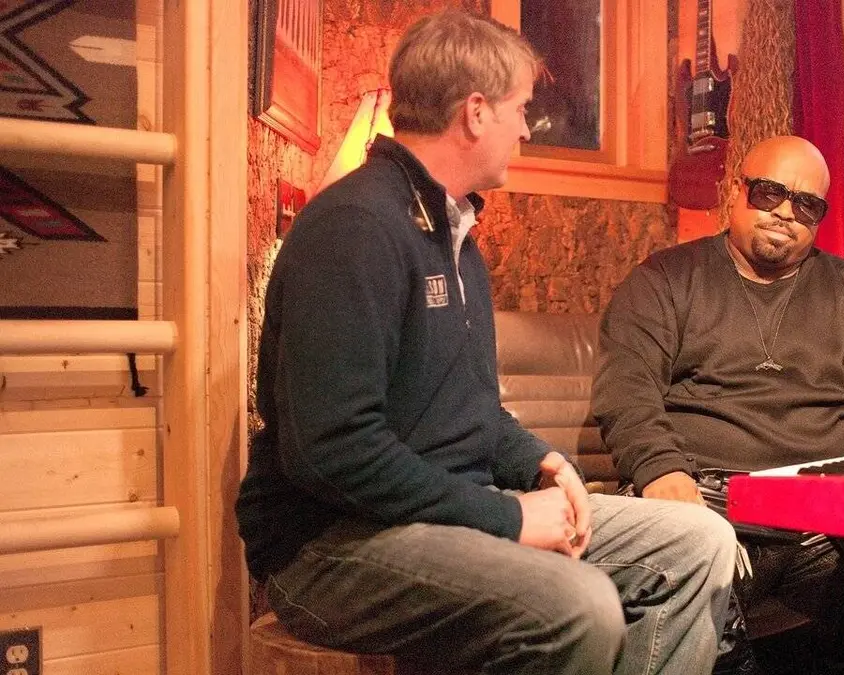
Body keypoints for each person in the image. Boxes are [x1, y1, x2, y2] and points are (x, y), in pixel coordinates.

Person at [235, 11, 737, 675]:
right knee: (579, 604)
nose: (527, 129)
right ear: (475, 113)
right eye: (521, 109)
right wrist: (506, 518)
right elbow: (331, 452)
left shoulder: (456, 235)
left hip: (445, 516)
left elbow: (469, 408)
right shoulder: (355, 228)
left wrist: (541, 461)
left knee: (701, 540)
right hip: (332, 545)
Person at [593, 135, 844, 672]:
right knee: (704, 604)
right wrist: (660, 470)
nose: (786, 213)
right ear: (736, 191)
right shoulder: (666, 279)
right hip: (709, 500)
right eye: (770, 193)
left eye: (807, 205)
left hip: (824, 515)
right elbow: (627, 388)